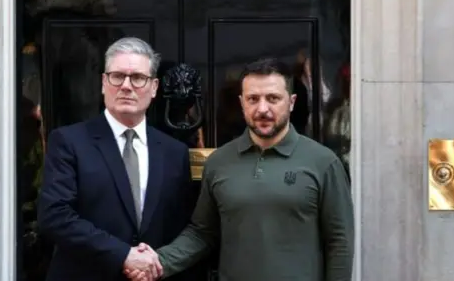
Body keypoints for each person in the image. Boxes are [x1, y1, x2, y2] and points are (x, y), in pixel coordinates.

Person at [125, 57, 354, 281]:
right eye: (253, 99)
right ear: (242, 102)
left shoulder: (323, 162)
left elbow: (339, 242)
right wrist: (159, 262)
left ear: (291, 102)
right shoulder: (219, 162)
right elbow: (203, 233)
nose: (262, 109)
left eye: (273, 98)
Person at [38, 37, 195, 281]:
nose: (126, 86)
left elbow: (181, 225)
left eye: (138, 78)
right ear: (103, 83)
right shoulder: (69, 142)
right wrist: (123, 255)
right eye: (117, 76)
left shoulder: (175, 152)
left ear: (154, 88)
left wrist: (156, 264)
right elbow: (55, 216)